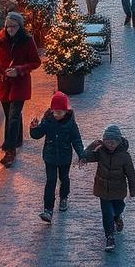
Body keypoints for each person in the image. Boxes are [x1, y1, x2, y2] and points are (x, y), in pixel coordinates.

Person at [0, 10, 41, 166]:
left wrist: (19, 70)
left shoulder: (27, 40)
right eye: (8, 26)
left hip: (20, 84)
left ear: (20, 26)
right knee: (9, 114)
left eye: (13, 26)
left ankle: (9, 150)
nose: (10, 29)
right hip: (3, 83)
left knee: (14, 116)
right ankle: (17, 140)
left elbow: (35, 62)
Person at [30, 91, 85, 223]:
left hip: (65, 157)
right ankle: (48, 209)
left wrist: (81, 154)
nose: (57, 115)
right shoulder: (48, 121)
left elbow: (76, 139)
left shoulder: (71, 124)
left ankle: (64, 197)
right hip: (50, 157)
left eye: (60, 112)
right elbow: (37, 135)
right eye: (55, 112)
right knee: (51, 181)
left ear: (66, 111)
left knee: (64, 178)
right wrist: (33, 128)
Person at [83, 124, 135, 253]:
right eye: (108, 142)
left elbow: (131, 174)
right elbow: (86, 155)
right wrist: (93, 145)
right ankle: (109, 237)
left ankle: (117, 216)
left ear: (119, 142)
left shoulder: (125, 156)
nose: (111, 145)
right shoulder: (101, 152)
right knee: (107, 213)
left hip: (118, 190)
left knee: (118, 207)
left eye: (113, 142)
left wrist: (133, 189)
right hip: (103, 190)